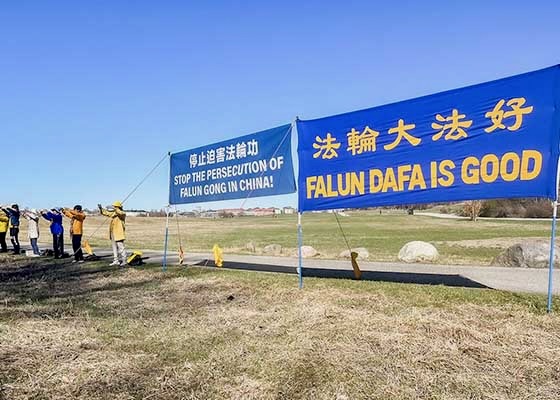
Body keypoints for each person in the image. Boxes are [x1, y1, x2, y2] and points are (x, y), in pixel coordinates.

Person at [99, 201, 127, 266]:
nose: (113, 207)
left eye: (114, 206)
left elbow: (120, 212)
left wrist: (115, 208)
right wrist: (101, 208)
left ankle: (124, 261)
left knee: (121, 247)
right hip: (113, 233)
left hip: (119, 233)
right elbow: (106, 213)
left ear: (118, 207)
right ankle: (116, 261)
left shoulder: (122, 214)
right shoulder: (114, 214)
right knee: (114, 248)